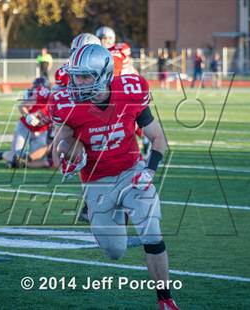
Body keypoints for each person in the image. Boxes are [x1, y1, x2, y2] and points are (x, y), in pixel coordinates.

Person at [50, 44, 179, 309]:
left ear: (105, 74)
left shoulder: (130, 91)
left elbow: (158, 138)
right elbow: (60, 143)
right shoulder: (66, 104)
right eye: (75, 76)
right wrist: (70, 150)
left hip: (132, 171)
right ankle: (116, 212)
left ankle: (165, 299)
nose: (77, 83)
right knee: (115, 251)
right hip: (96, 181)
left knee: (151, 230)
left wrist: (150, 170)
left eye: (85, 76)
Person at [0, 77, 52, 169]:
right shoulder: (43, 95)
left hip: (41, 131)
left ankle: (13, 161)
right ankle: (1, 155)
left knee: (34, 158)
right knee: (15, 156)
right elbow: (22, 106)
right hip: (25, 126)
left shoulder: (62, 104)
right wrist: (28, 116)